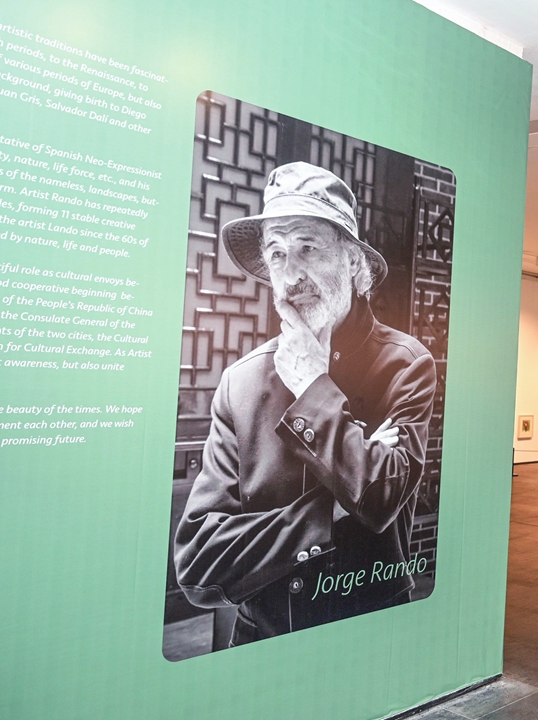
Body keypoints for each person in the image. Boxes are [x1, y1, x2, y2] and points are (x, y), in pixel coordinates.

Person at [174, 163, 438, 643]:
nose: (291, 274)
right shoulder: (242, 382)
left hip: (373, 631)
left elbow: (380, 499)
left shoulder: (406, 364)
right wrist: (332, 511)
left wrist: (313, 383)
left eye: (307, 247)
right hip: (263, 640)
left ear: (354, 263)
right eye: (276, 254)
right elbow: (197, 562)